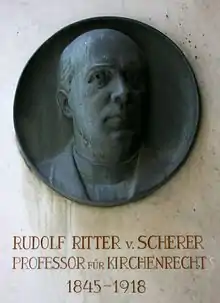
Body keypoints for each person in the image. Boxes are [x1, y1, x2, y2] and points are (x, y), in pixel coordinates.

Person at [39, 28, 151, 204]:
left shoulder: (167, 171)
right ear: (67, 104)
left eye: (134, 77)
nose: (123, 92)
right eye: (100, 77)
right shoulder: (44, 176)